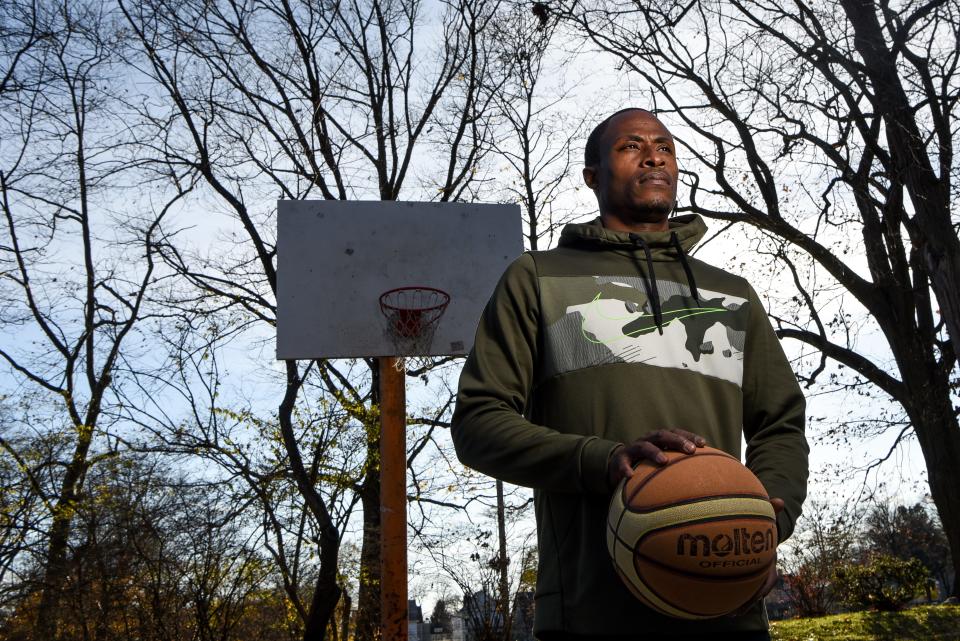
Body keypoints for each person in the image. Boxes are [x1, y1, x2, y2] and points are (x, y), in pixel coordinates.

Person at [450, 108, 808, 640]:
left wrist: (764, 520)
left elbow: (779, 424)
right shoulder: (540, 278)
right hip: (591, 609)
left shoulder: (730, 293)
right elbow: (479, 423)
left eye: (664, 145)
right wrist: (603, 459)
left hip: (726, 605)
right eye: (630, 146)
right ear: (592, 175)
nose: (653, 155)